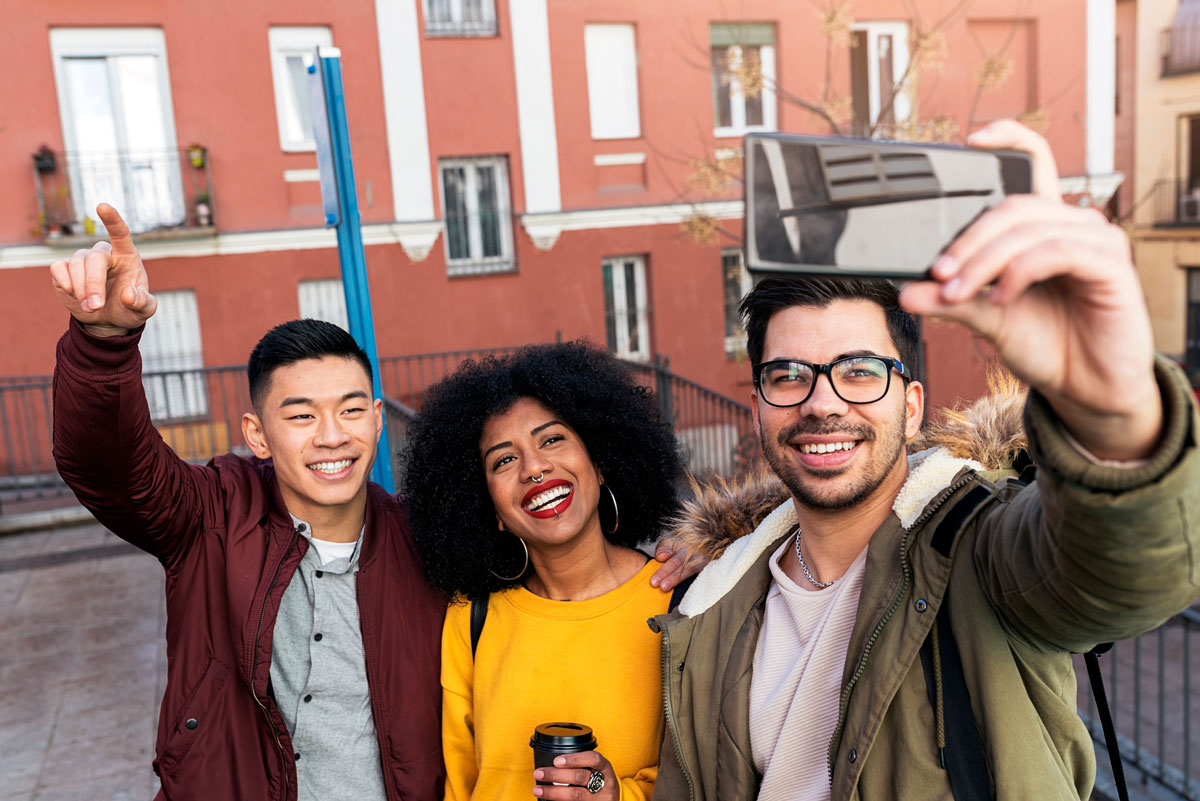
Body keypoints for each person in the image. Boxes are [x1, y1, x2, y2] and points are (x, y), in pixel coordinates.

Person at [651, 120, 1200, 801]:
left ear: (912, 406)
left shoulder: (980, 551)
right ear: (759, 402)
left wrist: (1109, 408)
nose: (822, 402)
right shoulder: (713, 601)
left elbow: (1127, 572)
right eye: (788, 373)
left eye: (858, 370)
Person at [49, 204, 447, 801]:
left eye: (351, 408)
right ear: (257, 433)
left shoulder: (430, 544)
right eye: (301, 415)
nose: (332, 434)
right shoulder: (213, 516)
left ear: (378, 419)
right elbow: (109, 468)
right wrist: (104, 342)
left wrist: (639, 557)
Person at [402, 342, 686, 801]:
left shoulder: (680, 601)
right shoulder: (471, 619)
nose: (534, 467)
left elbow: (707, 776)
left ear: (598, 462)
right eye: (504, 460)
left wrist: (617, 794)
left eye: (551, 439)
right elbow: (461, 787)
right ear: (488, 506)